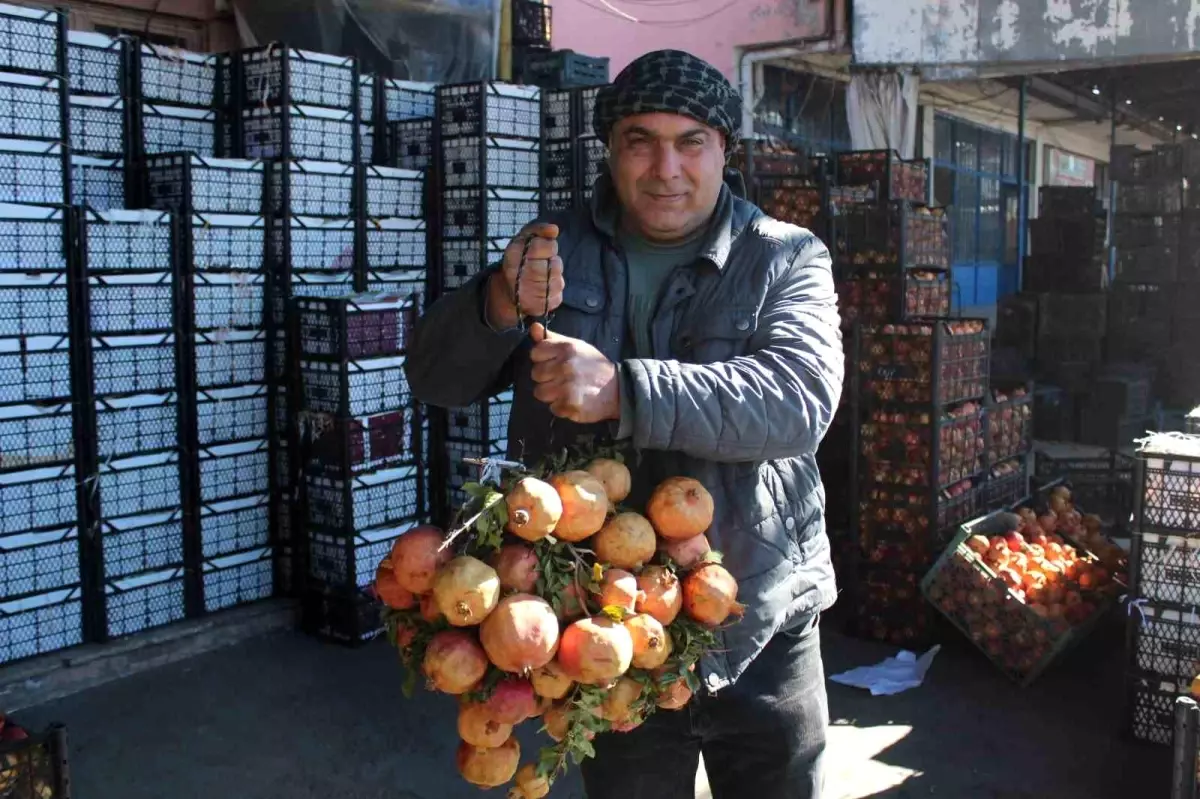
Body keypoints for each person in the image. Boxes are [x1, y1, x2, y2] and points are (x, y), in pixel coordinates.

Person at [405, 49, 844, 799]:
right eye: (640, 140)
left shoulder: (783, 256)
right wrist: (498, 304)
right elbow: (437, 379)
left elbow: (800, 399)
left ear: (724, 151)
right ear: (609, 151)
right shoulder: (555, 248)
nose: (665, 167)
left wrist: (623, 390)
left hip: (756, 610)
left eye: (690, 142)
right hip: (600, 621)